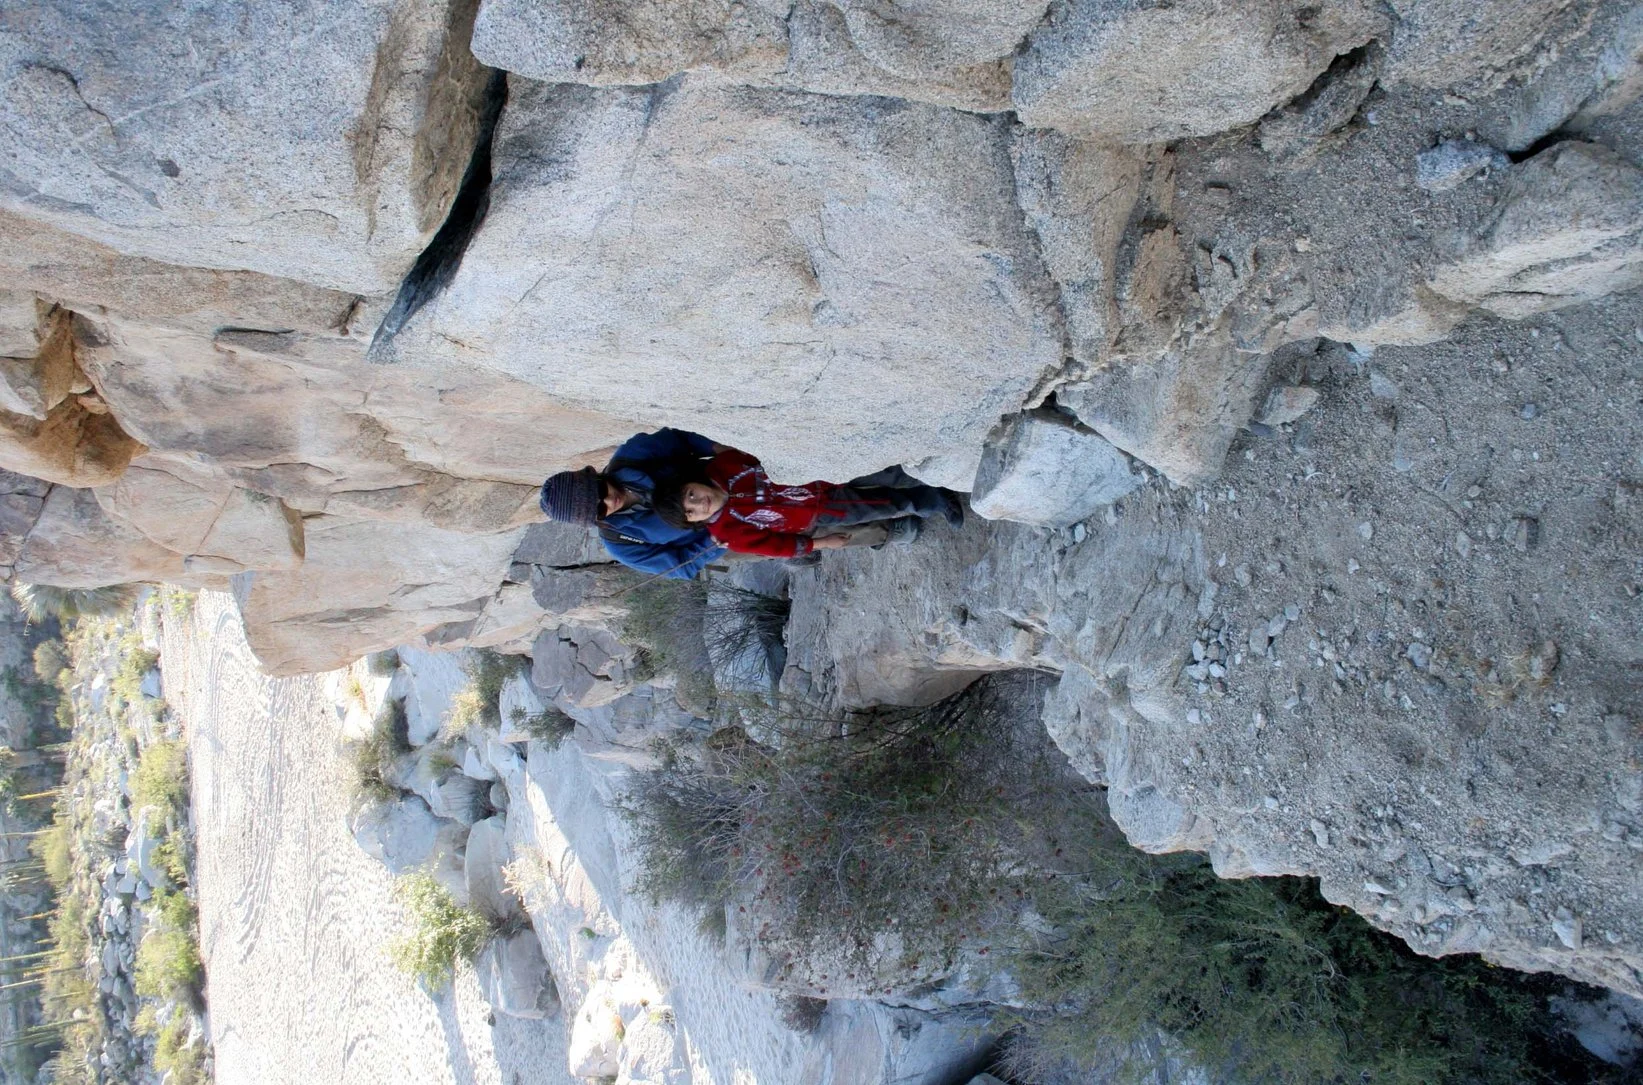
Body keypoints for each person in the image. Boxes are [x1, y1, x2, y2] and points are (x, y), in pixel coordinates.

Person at [651, 444, 963, 559]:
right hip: (821, 512)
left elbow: (758, 451)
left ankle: (946, 470)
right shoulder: (729, 533)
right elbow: (775, 546)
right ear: (692, 522)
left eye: (691, 494)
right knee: (886, 504)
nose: (699, 503)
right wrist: (821, 543)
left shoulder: (722, 467)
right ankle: (934, 500)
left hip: (819, 471)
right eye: (691, 512)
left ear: (691, 482)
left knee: (885, 473)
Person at [538, 428, 725, 578]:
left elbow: (681, 438)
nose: (610, 500)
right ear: (594, 520)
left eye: (601, 490)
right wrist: (715, 542)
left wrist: (719, 449)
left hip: (729, 479)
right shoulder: (620, 544)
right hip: (729, 530)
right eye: (600, 509)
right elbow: (680, 566)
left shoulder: (633, 456)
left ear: (595, 476)